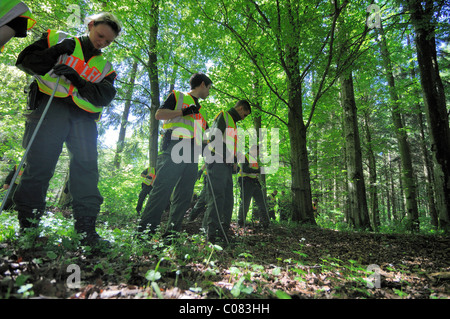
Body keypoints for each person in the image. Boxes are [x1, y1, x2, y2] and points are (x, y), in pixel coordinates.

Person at [13, 12, 122, 248]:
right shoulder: (58, 39)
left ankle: (86, 231)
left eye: (108, 41)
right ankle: (29, 229)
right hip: (50, 105)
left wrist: (79, 80)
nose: (102, 42)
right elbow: (26, 62)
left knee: (86, 171)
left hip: (84, 118)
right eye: (100, 35)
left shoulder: (106, 67)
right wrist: (57, 51)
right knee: (40, 165)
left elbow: (104, 97)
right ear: (91, 25)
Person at [138, 73, 212, 237]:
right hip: (176, 145)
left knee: (185, 195)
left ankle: (171, 235)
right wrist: (183, 111)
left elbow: (205, 135)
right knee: (163, 189)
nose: (209, 92)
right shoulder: (178, 96)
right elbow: (159, 115)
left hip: (194, 152)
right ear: (202, 84)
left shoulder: (203, 111)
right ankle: (144, 233)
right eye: (209, 88)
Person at [203, 100, 251, 244]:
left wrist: (234, 161)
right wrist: (226, 156)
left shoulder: (234, 124)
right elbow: (214, 139)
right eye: (245, 114)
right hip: (217, 161)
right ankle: (210, 234)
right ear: (240, 108)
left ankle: (223, 231)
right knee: (217, 198)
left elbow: (230, 146)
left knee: (228, 200)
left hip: (227, 165)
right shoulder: (224, 116)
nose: (244, 118)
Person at [237, 144, 270, 228]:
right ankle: (241, 222)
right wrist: (259, 170)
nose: (258, 153)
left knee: (261, 202)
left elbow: (254, 171)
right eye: (258, 151)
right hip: (246, 182)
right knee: (245, 203)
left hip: (255, 182)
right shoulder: (245, 157)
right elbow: (244, 169)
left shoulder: (254, 159)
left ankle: (265, 222)